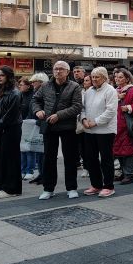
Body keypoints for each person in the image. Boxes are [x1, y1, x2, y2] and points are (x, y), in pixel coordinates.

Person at [34, 60, 83, 200]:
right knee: (48, 159)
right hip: (49, 126)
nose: (58, 71)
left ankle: (72, 188)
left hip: (67, 126)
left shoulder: (74, 86)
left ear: (67, 72)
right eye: (56, 69)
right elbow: (35, 100)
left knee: (70, 158)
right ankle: (48, 189)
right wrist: (38, 111)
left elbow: (77, 106)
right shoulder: (45, 85)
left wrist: (59, 115)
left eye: (61, 69)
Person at [80, 67, 118, 199]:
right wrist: (83, 119)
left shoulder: (110, 90)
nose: (94, 79)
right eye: (93, 77)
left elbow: (111, 111)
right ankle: (96, 184)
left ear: (104, 77)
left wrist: (95, 122)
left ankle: (108, 186)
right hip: (89, 130)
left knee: (106, 159)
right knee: (90, 158)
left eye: (97, 77)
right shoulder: (89, 91)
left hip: (105, 130)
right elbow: (82, 108)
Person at [0, 67, 22, 199]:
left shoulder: (14, 93)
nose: (0, 77)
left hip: (10, 129)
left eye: (2, 75)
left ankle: (11, 188)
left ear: (8, 76)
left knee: (10, 159)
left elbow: (10, 115)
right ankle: (1, 185)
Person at [113, 67, 133, 184]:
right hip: (118, 126)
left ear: (127, 79)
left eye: (120, 77)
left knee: (128, 151)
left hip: (127, 126)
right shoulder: (116, 91)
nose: (117, 79)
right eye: (116, 77)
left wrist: (128, 108)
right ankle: (123, 173)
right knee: (119, 151)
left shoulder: (132, 91)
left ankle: (129, 175)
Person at [26, 73, 48, 183]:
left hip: (42, 124)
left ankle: (44, 175)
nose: (32, 83)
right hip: (34, 123)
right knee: (38, 151)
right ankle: (40, 173)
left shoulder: (45, 93)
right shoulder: (35, 92)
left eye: (34, 81)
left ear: (41, 82)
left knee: (42, 151)